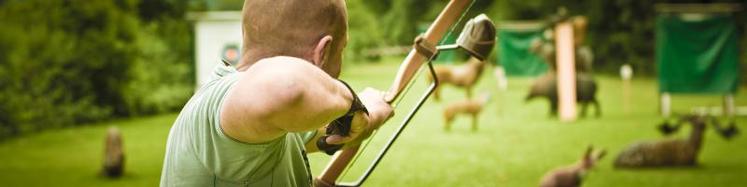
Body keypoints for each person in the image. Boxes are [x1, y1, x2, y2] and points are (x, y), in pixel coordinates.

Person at [159, 0, 394, 186]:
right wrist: (352, 102)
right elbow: (289, 87)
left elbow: (340, 135)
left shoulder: (270, 123)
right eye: (341, 51)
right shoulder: (225, 103)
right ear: (323, 52)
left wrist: (372, 112)